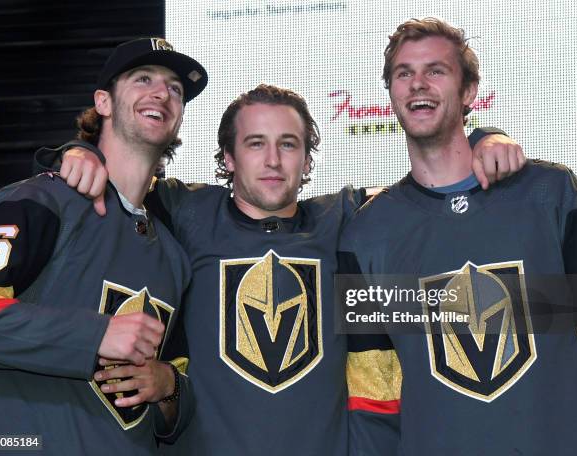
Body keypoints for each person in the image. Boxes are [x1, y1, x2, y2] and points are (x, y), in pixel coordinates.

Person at [35, 83, 524, 455]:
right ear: (227, 158)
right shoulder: (187, 213)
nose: (272, 160)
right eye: (255, 144)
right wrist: (80, 151)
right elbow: (125, 166)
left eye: (288, 144)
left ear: (308, 159)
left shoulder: (345, 220)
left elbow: (433, 188)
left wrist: (484, 136)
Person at [339, 18, 577, 455]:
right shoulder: (365, 235)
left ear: (469, 91)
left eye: (436, 70)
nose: (418, 84)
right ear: (392, 94)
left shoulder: (553, 197)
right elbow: (374, 397)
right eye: (404, 73)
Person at [0, 37, 208, 454]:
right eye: (143, 79)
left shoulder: (174, 251)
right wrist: (96, 335)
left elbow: (176, 407)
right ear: (103, 102)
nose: (162, 93)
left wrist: (168, 386)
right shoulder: (39, 201)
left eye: (175, 89)